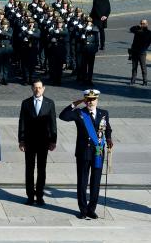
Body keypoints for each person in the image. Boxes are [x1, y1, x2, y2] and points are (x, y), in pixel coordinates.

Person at [59, 89, 113, 219]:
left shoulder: (103, 113)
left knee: (96, 182)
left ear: (97, 100)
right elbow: (63, 116)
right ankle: (83, 209)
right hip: (84, 152)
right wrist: (76, 103)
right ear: (85, 100)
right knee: (82, 182)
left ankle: (91, 209)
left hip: (98, 152)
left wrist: (109, 138)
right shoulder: (79, 113)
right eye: (88, 99)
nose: (90, 102)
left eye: (93, 99)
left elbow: (108, 128)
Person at [18, 80, 57, 206]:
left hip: (43, 142)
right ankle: (30, 196)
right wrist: (21, 140)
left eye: (40, 88)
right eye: (35, 88)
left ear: (43, 89)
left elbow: (53, 123)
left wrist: (53, 141)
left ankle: (39, 195)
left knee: (42, 169)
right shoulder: (26, 103)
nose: (37, 90)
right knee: (29, 169)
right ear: (32, 88)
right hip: (29, 141)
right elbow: (22, 122)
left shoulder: (49, 103)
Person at [129, 19, 151, 86]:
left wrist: (146, 47)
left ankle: (145, 81)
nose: (142, 24)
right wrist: (137, 26)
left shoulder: (148, 32)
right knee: (134, 67)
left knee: (143, 67)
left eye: (144, 23)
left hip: (142, 52)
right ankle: (133, 80)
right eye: (141, 23)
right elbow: (131, 29)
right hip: (134, 51)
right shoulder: (137, 30)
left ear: (147, 24)